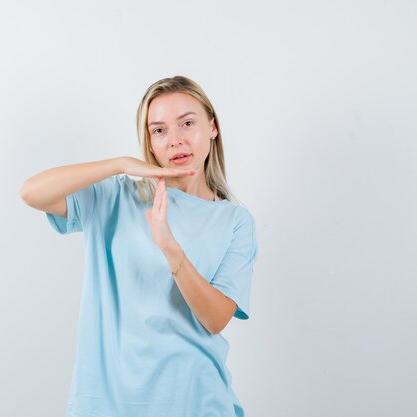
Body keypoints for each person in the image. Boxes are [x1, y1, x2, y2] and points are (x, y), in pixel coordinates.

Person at [20, 75, 259, 417]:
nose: (175, 140)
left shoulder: (235, 222)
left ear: (212, 127)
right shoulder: (115, 196)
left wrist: (169, 247)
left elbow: (215, 318)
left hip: (195, 401)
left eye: (187, 123)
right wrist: (120, 164)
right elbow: (32, 193)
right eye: (159, 130)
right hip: (106, 404)